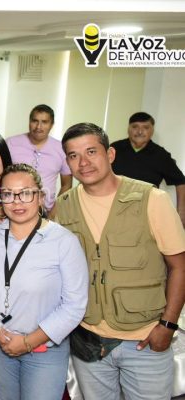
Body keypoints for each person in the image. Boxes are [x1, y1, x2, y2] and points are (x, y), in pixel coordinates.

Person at [55, 122, 185, 400]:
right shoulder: (63, 207)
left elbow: (179, 267)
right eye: (73, 155)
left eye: (91, 151)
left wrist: (168, 325)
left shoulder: (152, 199)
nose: (83, 162)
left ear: (110, 154)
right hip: (88, 341)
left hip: (144, 340)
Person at [0, 163, 88, 400]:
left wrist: (28, 342)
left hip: (44, 351)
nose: (17, 201)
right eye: (8, 194)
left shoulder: (63, 241)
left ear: (40, 197)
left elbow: (74, 305)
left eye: (26, 193)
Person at [111, 111, 185, 226]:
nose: (140, 131)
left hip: (146, 212)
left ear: (152, 130)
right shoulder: (114, 149)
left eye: (145, 127)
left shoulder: (161, 155)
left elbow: (180, 182)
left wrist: (181, 212)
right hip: (112, 208)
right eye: (135, 127)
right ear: (128, 129)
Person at [6, 104, 72, 213]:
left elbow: (67, 184)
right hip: (15, 208)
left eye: (44, 122)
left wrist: (55, 211)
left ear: (51, 124)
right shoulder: (10, 144)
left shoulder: (61, 148)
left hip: (46, 211)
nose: (38, 127)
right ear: (29, 121)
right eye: (34, 121)